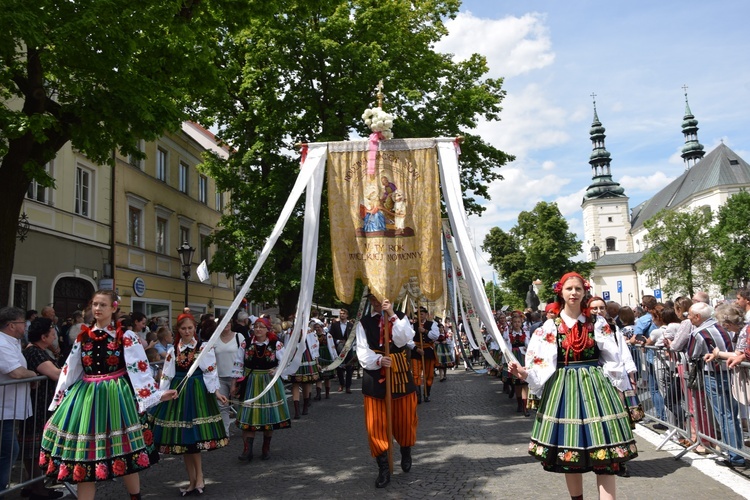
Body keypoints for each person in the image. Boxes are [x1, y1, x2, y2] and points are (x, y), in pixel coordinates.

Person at [38, 290, 177, 500]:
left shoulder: (125, 336)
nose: (97, 309)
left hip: (117, 398)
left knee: (127, 457)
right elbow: (70, 370)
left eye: (102, 305)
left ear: (113, 308)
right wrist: (59, 400)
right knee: (84, 460)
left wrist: (156, 395)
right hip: (86, 399)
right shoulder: (83, 337)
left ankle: (135, 497)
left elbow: (139, 369)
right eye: (94, 304)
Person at [509, 272, 636, 500]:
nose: (574, 293)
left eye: (578, 288)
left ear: (584, 292)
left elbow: (613, 359)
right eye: (569, 289)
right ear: (561, 292)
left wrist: (620, 389)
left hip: (596, 388)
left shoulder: (597, 323)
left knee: (606, 455)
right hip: (564, 390)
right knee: (570, 454)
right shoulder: (549, 327)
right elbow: (540, 363)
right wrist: (524, 373)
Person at [151, 313, 229, 495]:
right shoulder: (173, 350)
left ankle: (199, 477)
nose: (187, 331)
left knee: (193, 439)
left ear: (195, 329)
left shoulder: (203, 348)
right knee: (184, 441)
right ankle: (192, 480)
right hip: (178, 394)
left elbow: (210, 371)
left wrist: (216, 392)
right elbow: (167, 375)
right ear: (178, 330)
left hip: (197, 394)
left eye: (190, 328)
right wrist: (161, 394)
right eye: (183, 328)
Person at [356, 294, 418, 488]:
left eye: (380, 298)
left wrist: (391, 313)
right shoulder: (364, 323)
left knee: (405, 418)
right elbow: (361, 349)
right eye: (373, 298)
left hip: (399, 370)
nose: (376, 302)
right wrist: (377, 360)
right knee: (376, 424)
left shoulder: (400, 316)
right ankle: (383, 468)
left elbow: (405, 339)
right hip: (375, 373)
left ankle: (405, 450)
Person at [687, 302, 746, 468]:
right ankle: (736, 452)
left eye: (690, 315)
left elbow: (691, 354)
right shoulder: (724, 328)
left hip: (714, 375)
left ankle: (735, 456)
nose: (689, 318)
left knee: (725, 416)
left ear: (698, 316)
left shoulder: (698, 333)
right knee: (732, 415)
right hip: (731, 373)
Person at [235, 317, 291, 461]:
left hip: (268, 382)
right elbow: (238, 364)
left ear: (268, 329)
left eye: (261, 327)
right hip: (250, 382)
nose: (258, 329)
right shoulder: (246, 343)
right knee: (249, 415)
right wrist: (235, 383)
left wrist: (277, 370)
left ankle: (266, 447)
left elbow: (285, 361)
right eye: (256, 326)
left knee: (268, 414)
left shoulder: (275, 344)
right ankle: (247, 450)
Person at [19, 318, 63, 500]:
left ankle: (34, 485)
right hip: (36, 406)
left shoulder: (40, 350)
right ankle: (36, 488)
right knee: (34, 446)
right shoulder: (34, 352)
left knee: (38, 446)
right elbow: (54, 374)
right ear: (44, 337)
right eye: (52, 334)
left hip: (42, 404)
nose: (54, 337)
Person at [0, 307, 36, 493]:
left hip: (10, 408)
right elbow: (16, 372)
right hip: (3, 409)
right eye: (23, 323)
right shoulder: (1, 343)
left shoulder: (12, 342)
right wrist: (33, 375)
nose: (25, 327)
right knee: (9, 451)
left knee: (9, 450)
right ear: (12, 325)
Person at [207, 316, 244, 436]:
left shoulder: (239, 337)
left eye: (228, 322)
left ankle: (246, 428)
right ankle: (225, 433)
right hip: (220, 378)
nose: (227, 324)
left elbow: (244, 355)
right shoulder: (214, 339)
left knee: (240, 405)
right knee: (222, 406)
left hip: (237, 377)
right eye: (224, 322)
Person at [289, 320, 320, 419]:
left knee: (306, 382)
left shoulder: (309, 332)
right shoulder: (290, 331)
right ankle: (297, 410)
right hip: (294, 357)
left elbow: (314, 347)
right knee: (295, 383)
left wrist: (317, 361)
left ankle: (305, 406)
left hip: (307, 356)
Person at [408, 306, 439, 403]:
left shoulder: (432, 324)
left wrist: (425, 331)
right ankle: (418, 395)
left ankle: (427, 394)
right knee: (416, 374)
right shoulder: (412, 325)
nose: (420, 316)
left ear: (426, 314)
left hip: (428, 351)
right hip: (416, 351)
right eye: (418, 314)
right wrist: (416, 349)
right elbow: (408, 339)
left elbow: (436, 336)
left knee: (429, 374)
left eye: (422, 314)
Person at [507, 311, 531, 416]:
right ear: (512, 323)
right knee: (517, 383)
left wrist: (528, 350)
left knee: (525, 382)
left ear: (521, 323)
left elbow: (529, 345)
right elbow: (507, 347)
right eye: (515, 322)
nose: (517, 324)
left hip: (524, 357)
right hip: (514, 357)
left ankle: (525, 406)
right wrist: (508, 360)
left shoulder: (525, 333)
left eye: (519, 322)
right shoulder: (509, 334)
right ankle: (519, 404)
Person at [330, 308, 356, 393]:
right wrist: (338, 341)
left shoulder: (351, 325)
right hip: (339, 348)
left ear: (347, 315)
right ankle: (341, 384)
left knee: (349, 368)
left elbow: (355, 336)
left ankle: (348, 387)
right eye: (341, 313)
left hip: (348, 349)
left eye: (344, 314)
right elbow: (330, 336)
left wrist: (350, 343)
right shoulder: (335, 325)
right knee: (339, 368)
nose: (342, 315)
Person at [313, 319, 336, 400]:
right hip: (317, 355)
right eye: (315, 327)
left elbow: (332, 347)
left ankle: (327, 393)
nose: (317, 329)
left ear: (322, 327)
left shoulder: (327, 335)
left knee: (327, 376)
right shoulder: (313, 336)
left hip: (326, 356)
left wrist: (334, 357)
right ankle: (318, 394)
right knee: (319, 376)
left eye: (318, 327)